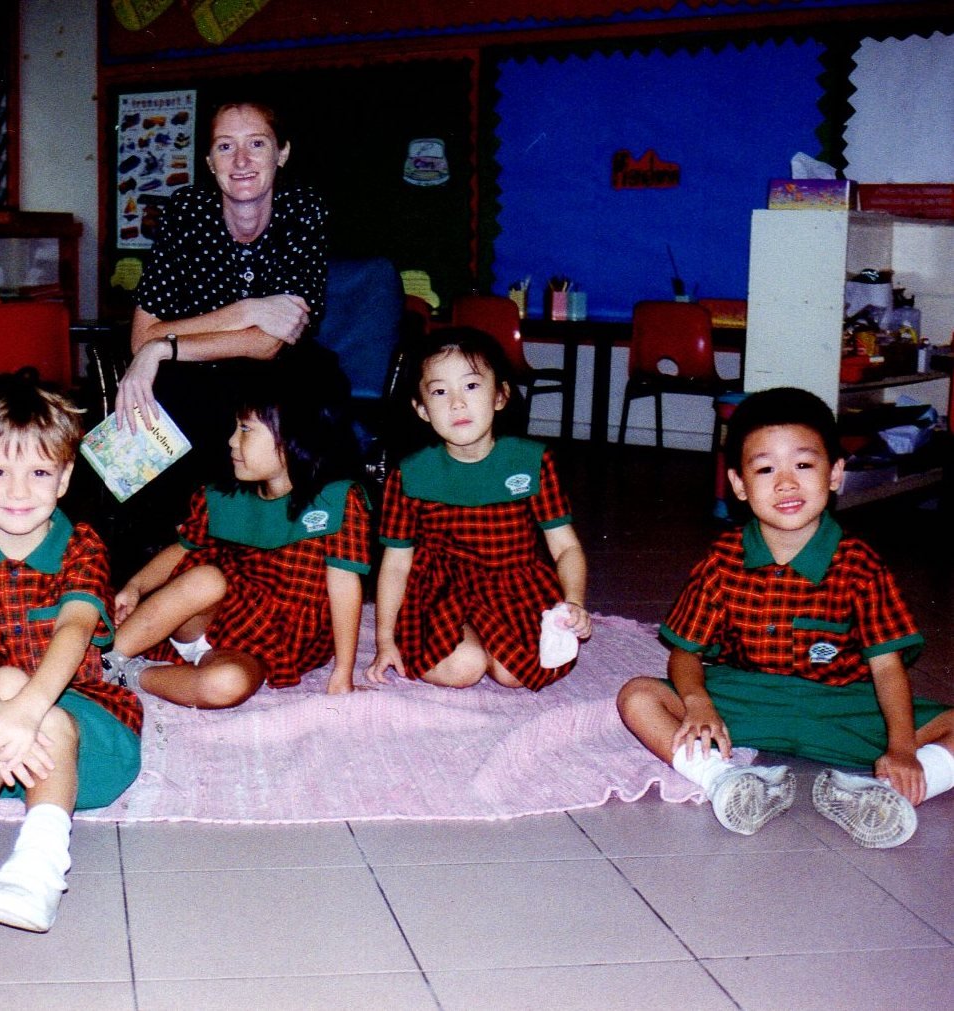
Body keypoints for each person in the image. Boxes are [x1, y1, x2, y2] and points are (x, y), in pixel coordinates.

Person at [617, 387, 954, 847]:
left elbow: (887, 666)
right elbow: (685, 651)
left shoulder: (861, 565)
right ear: (738, 484)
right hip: (746, 700)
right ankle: (725, 782)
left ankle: (884, 795)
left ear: (835, 473)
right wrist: (697, 703)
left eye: (803, 464)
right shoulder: (722, 560)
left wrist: (900, 748)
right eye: (765, 468)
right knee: (637, 696)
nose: (786, 483)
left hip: (844, 706)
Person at [0, 371, 142, 932]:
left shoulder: (84, 545)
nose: (18, 492)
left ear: (65, 478)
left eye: (39, 472)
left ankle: (40, 863)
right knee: (9, 677)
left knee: (28, 689)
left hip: (85, 728)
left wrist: (25, 712)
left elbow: (73, 630)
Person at [111, 100, 329, 563]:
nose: (242, 161)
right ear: (210, 162)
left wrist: (162, 347)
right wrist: (248, 308)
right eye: (226, 147)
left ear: (282, 153)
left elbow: (271, 341)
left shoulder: (303, 209)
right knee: (125, 443)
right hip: (194, 370)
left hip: (282, 379)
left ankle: (218, 552)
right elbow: (142, 336)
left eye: (257, 144)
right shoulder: (185, 212)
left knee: (221, 407)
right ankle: (127, 561)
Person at [104, 353, 370, 706]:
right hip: (210, 617)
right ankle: (106, 659)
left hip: (267, 646)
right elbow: (182, 549)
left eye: (245, 429)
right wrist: (134, 588)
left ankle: (132, 676)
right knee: (206, 578)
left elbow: (344, 587)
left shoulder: (337, 502)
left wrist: (343, 672)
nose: (231, 440)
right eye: (235, 427)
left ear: (294, 436)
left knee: (226, 685)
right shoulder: (223, 497)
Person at [364, 327, 592, 692]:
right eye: (440, 391)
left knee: (516, 674)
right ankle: (467, 642)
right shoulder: (409, 474)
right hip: (439, 589)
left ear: (500, 395)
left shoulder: (532, 461)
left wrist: (574, 602)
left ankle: (489, 639)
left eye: (471, 386)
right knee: (464, 667)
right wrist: (385, 640)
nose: (457, 403)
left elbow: (565, 547)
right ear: (422, 409)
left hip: (513, 584)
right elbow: (395, 563)